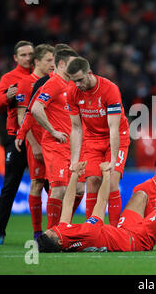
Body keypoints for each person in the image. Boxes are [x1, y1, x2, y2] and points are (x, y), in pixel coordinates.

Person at [36, 161, 156, 252]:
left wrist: (75, 175)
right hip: (137, 240)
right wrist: (106, 175)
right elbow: (101, 202)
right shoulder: (86, 233)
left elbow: (68, 204)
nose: (50, 230)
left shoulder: (62, 232)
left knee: (141, 195)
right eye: (50, 234)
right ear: (59, 242)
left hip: (123, 231)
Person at [66, 57, 130, 225]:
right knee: (92, 182)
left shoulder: (110, 89)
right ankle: (92, 231)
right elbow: (76, 128)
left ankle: (115, 231)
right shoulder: (72, 92)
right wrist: (74, 160)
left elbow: (114, 128)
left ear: (89, 73)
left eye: (80, 79)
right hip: (92, 139)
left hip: (115, 137)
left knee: (112, 182)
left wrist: (114, 160)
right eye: (74, 81)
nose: (77, 84)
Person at [30, 48, 80, 230]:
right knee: (58, 189)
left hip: (72, 146)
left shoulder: (71, 85)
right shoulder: (54, 83)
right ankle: (52, 233)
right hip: (55, 145)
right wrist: (53, 131)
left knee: (79, 188)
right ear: (61, 64)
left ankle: (62, 226)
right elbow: (36, 108)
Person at [0, 40, 34, 245]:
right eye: (23, 55)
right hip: (15, 137)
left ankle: (56, 230)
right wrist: (6, 97)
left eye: (30, 54)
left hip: (40, 138)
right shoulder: (9, 78)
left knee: (48, 184)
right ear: (15, 58)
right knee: (10, 185)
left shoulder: (42, 76)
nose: (28, 58)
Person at [16, 43, 55, 240]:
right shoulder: (26, 83)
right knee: (37, 184)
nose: (53, 64)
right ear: (37, 61)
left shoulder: (56, 81)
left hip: (55, 142)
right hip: (37, 143)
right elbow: (22, 116)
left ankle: (54, 230)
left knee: (57, 187)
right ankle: (37, 232)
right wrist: (34, 143)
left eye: (54, 60)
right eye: (49, 60)